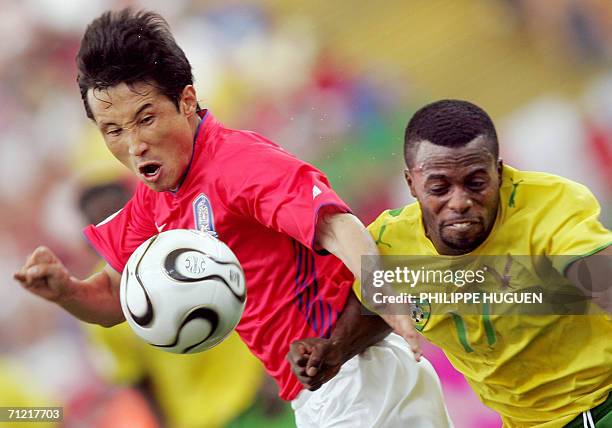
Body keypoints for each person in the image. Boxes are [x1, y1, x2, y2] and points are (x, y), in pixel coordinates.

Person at [13, 9, 453, 427]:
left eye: (145, 119)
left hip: (357, 372)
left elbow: (337, 226)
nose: (134, 144)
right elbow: (113, 298)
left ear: (186, 101)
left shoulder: (236, 162)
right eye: (114, 130)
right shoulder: (155, 201)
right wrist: (65, 291)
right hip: (318, 390)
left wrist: (388, 297)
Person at [290, 99, 611, 427]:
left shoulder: (551, 206)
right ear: (411, 183)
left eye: (476, 183)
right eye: (440, 188)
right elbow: (380, 308)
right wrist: (334, 349)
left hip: (600, 404)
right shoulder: (389, 245)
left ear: (498, 172)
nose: (459, 202)